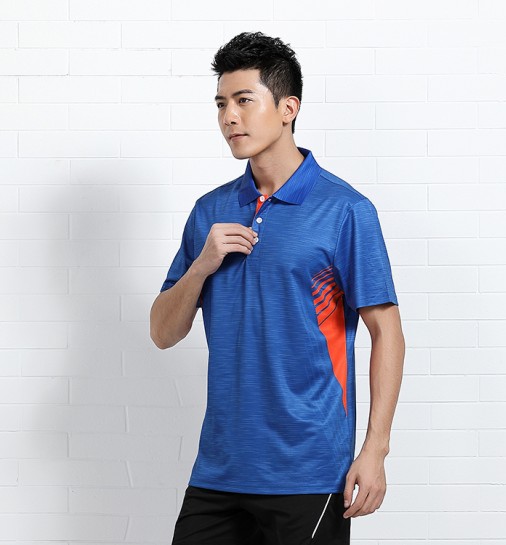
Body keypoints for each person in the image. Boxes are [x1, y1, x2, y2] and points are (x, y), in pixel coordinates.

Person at [150, 31, 405, 545]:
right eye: (221, 104)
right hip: (219, 470)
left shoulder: (345, 210)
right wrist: (201, 267)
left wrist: (375, 449)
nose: (229, 117)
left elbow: (387, 332)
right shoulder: (210, 211)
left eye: (244, 100)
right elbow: (162, 332)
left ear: (288, 108)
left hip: (310, 471)